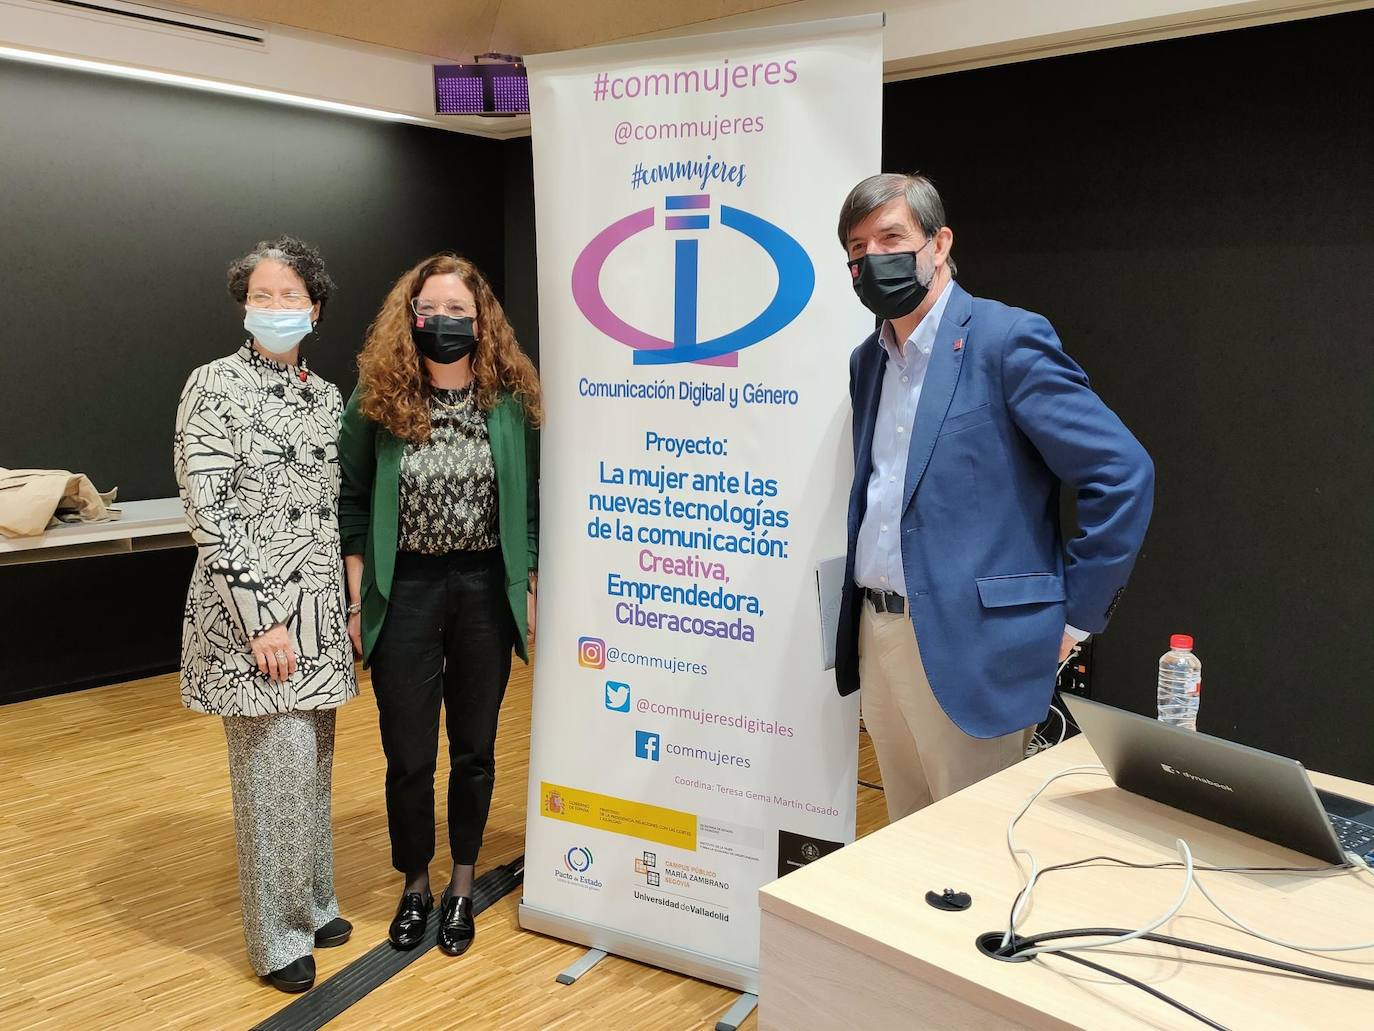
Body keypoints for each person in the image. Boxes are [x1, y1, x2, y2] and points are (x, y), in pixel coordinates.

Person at [834, 174, 1154, 824]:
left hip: (976, 647)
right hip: (878, 633)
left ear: (940, 242)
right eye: (857, 249)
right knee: (902, 841)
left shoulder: (1005, 341)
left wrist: (1075, 621)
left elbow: (1122, 473)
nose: (873, 259)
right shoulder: (867, 360)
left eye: (891, 237)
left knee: (970, 859)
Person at [338, 253, 540, 956]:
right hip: (409, 589)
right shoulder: (380, 392)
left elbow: (531, 504)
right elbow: (354, 498)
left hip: (486, 586)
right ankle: (414, 881)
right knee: (409, 752)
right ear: (410, 314)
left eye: (460, 310)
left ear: (481, 320)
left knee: (476, 747)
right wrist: (360, 592)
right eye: (433, 309)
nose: (445, 322)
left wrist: (530, 584)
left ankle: (461, 880)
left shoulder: (509, 399)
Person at [174, 235, 356, 993]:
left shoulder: (325, 396)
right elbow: (208, 511)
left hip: (317, 620)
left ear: (315, 308)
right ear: (243, 304)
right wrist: (262, 620)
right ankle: (278, 938)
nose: (275, 307)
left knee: (308, 770)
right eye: (262, 294)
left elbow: (326, 512)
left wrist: (342, 606)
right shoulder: (213, 386)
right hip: (256, 624)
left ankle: (313, 903)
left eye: (290, 296)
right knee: (270, 778)